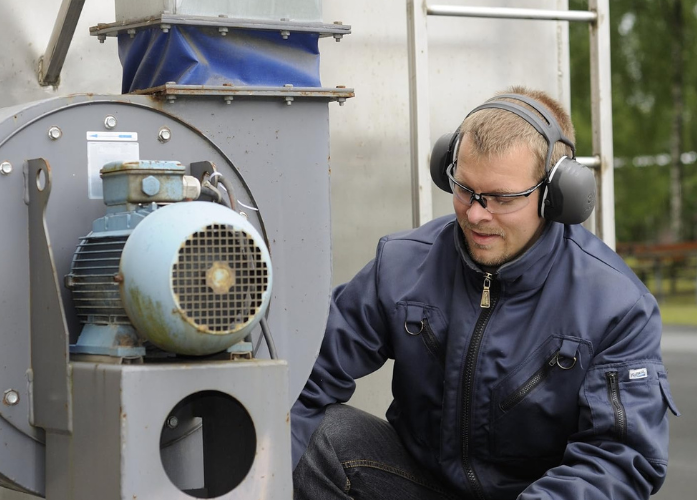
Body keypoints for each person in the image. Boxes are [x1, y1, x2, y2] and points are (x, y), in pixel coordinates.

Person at [290, 86, 679, 500]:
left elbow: (619, 457)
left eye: (501, 198)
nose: (475, 214)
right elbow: (303, 380)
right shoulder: (402, 265)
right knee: (322, 435)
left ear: (557, 196)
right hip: (421, 483)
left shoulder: (617, 306)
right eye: (465, 189)